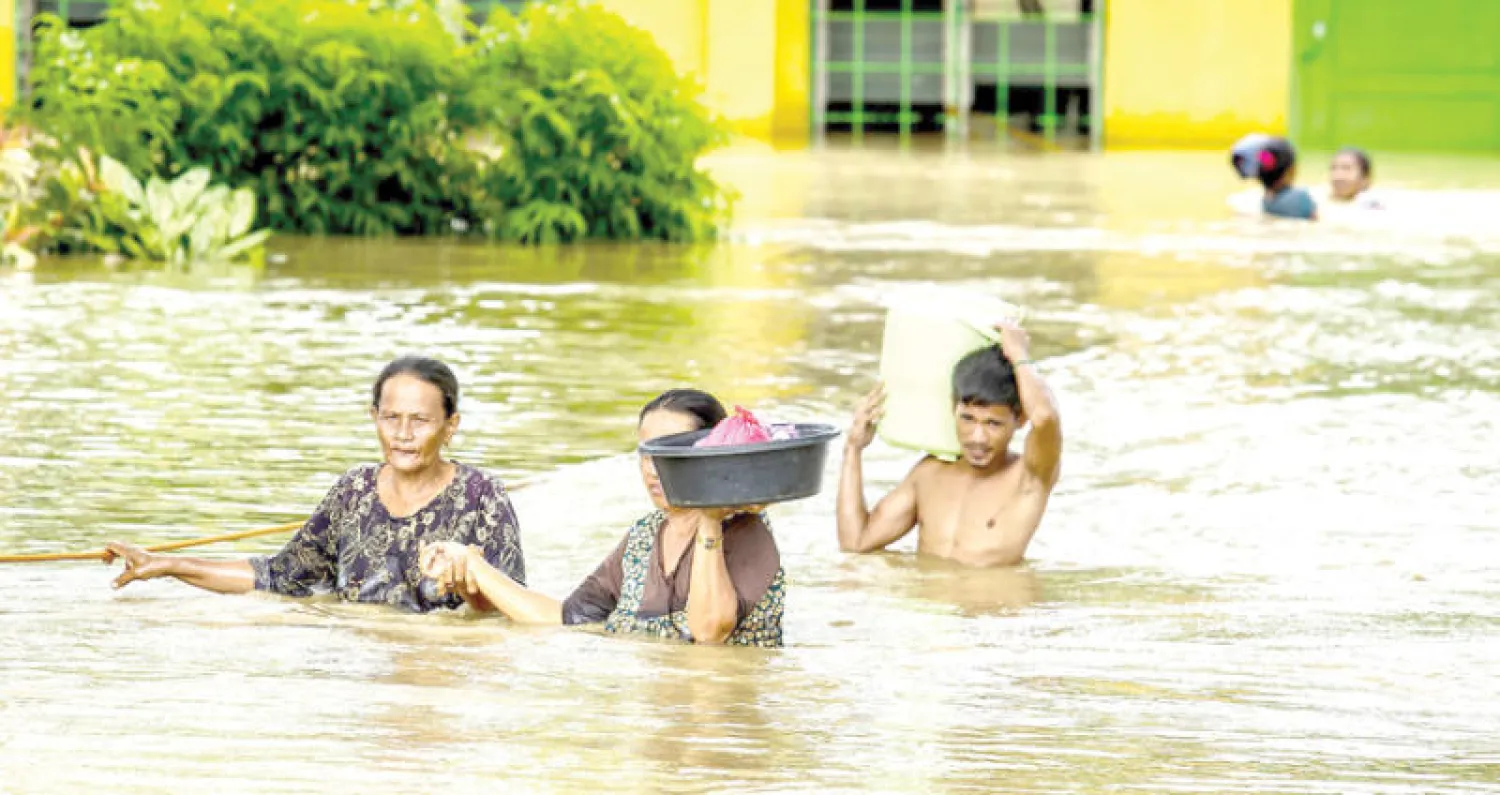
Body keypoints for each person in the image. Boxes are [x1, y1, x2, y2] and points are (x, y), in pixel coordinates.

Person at [102, 356, 526, 613]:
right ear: (373, 417)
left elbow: (513, 613)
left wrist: (469, 589)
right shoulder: (353, 491)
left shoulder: (481, 496)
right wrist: (167, 565)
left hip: (443, 669)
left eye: (420, 420)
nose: (402, 434)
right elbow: (280, 577)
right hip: (366, 668)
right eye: (390, 417)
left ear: (450, 426)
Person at [418, 388, 785, 647]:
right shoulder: (645, 537)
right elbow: (566, 618)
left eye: (670, 453)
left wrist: (709, 517)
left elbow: (709, 635)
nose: (653, 469)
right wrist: (472, 565)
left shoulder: (746, 532)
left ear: (709, 455)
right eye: (645, 453)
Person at [836, 322, 1062, 568]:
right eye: (967, 418)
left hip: (992, 606)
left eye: (993, 424)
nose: (977, 437)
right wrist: (853, 449)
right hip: (929, 605)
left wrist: (1019, 354)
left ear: (1019, 420)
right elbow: (855, 542)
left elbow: (1045, 417)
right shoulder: (928, 474)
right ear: (953, 409)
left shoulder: (1029, 476)